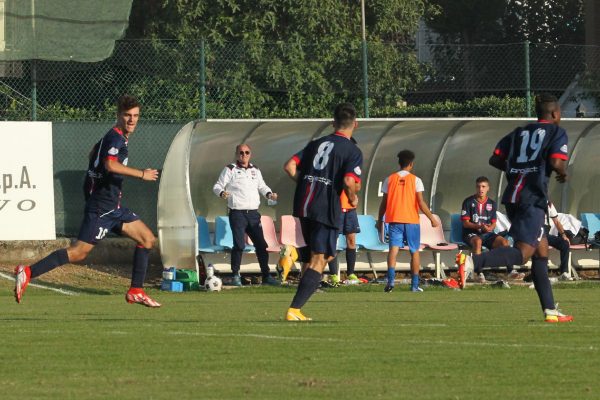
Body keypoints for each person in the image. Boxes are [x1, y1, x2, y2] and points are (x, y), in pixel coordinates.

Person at [14, 95, 161, 307]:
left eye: (136, 116)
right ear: (119, 115)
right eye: (128, 115)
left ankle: (136, 291)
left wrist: (94, 177)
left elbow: (92, 152)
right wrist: (141, 174)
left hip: (113, 207)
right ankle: (27, 271)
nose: (132, 120)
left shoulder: (112, 137)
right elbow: (110, 165)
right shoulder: (116, 138)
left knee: (147, 239)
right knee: (78, 252)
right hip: (101, 208)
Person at [456, 93, 573, 323]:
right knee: (522, 253)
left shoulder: (519, 132)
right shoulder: (556, 132)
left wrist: (516, 169)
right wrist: (562, 173)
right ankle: (471, 262)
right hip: (533, 198)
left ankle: (549, 310)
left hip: (513, 196)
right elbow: (555, 162)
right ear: (555, 114)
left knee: (541, 251)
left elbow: (495, 159)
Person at [283, 102, 363, 321]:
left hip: (303, 204)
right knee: (321, 258)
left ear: (333, 122)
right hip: (325, 206)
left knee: (322, 255)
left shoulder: (316, 143)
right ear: (355, 124)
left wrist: (306, 184)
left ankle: (293, 255)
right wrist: (354, 196)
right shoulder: (352, 150)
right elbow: (349, 180)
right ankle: (295, 309)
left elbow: (290, 166)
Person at [213, 144, 280, 286]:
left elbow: (262, 186)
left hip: (254, 214)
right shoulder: (230, 169)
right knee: (239, 245)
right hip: (237, 213)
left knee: (261, 245)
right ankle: (235, 275)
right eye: (241, 153)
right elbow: (217, 186)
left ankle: (266, 276)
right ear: (237, 154)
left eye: (247, 152)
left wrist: (269, 194)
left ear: (250, 154)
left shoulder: (255, 169)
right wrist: (222, 193)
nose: (244, 155)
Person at [376, 150, 438, 293]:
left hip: (394, 219)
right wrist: (432, 219)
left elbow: (383, 203)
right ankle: (414, 285)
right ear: (411, 164)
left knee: (393, 250)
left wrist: (380, 220)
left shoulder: (389, 179)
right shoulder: (416, 180)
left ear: (399, 163)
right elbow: (421, 203)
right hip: (411, 220)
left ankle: (390, 282)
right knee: (414, 252)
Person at [460, 176, 524, 282]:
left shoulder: (492, 203)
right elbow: (465, 223)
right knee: (478, 241)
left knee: (504, 242)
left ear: (488, 188)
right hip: (471, 233)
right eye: (478, 187)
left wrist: (490, 228)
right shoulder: (468, 202)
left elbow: (494, 223)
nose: (481, 189)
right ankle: (479, 273)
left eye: (483, 186)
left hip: (487, 233)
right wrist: (480, 226)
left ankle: (511, 271)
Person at [326, 190, 361, 286]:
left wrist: (354, 198)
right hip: (336, 209)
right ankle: (333, 274)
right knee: (333, 240)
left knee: (351, 241)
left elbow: (355, 186)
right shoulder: (334, 175)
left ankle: (350, 273)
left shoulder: (351, 175)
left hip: (351, 210)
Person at [546, 201, 573, 281]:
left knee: (564, 243)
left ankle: (564, 272)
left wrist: (564, 235)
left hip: (545, 233)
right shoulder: (530, 201)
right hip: (532, 233)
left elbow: (557, 222)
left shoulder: (549, 204)